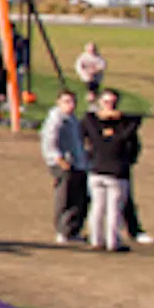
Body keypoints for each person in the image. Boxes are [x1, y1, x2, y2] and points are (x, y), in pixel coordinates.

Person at [86, 87, 142, 252]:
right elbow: (134, 141)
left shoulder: (92, 123)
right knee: (113, 209)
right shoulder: (125, 126)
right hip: (116, 171)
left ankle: (96, 240)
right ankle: (112, 242)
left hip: (96, 169)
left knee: (98, 207)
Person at [42, 89, 90, 244]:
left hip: (79, 164)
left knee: (81, 198)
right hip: (64, 164)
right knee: (65, 197)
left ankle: (73, 230)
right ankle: (62, 231)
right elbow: (49, 141)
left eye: (72, 102)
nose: (70, 105)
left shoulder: (73, 119)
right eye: (66, 101)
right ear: (58, 102)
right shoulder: (56, 119)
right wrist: (59, 159)